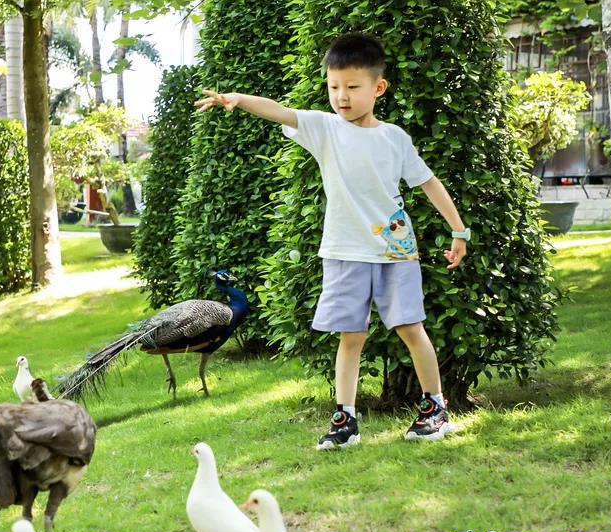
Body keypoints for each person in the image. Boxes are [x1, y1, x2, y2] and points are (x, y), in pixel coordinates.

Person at [195, 32, 470, 449]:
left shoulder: (395, 138)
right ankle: (345, 421)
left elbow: (429, 183)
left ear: (378, 88)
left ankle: (435, 410)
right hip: (343, 253)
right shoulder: (324, 128)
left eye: (352, 87)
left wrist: (458, 230)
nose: (341, 96)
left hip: (396, 252)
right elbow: (280, 111)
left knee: (412, 329)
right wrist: (238, 99)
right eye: (334, 86)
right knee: (350, 337)